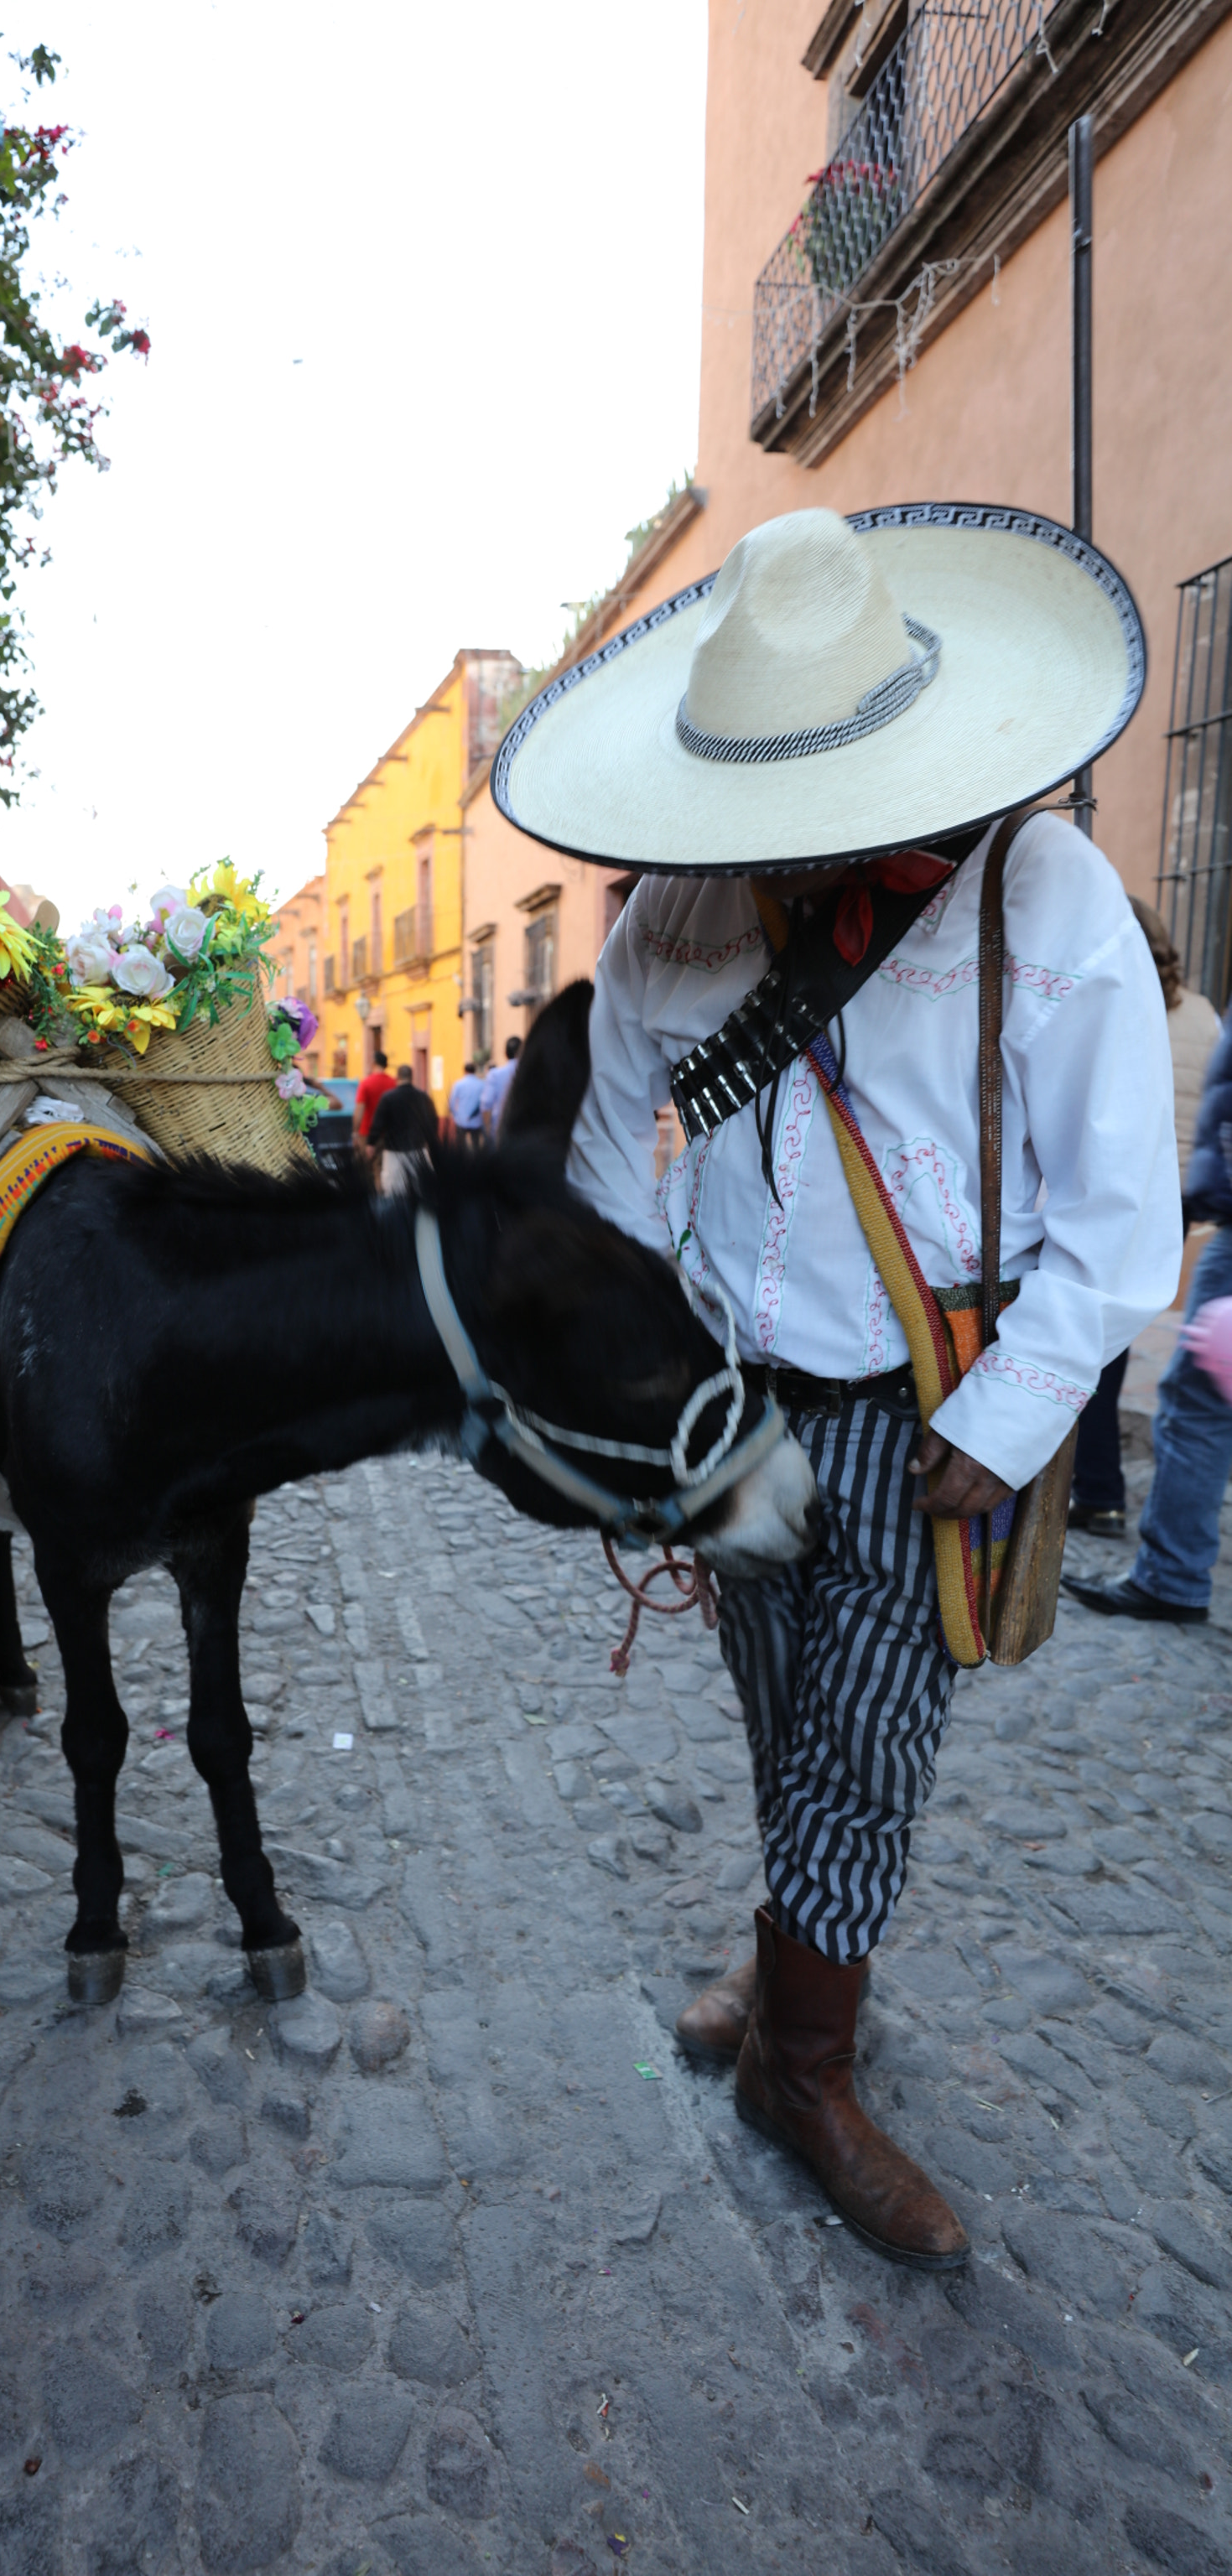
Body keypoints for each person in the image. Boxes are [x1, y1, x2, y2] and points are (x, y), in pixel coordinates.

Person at [496, 502, 1175, 2267]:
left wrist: (1009, 1415)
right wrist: (652, 1357)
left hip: (926, 1411)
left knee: (870, 1739)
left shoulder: (1047, 894)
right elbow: (595, 1162)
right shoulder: (675, 913)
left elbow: (1116, 1225)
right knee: (785, 1714)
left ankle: (802, 2066)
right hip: (734, 1407)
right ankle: (793, 1943)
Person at [1063, 995, 1232, 1622]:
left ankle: (1170, 1573)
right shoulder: (1201, 1008)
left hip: (1152, 1185)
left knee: (1194, 1406)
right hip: (1183, 1191)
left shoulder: (1116, 991)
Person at [1068, 900, 1220, 1535]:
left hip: (1126, 1192)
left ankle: (1098, 1489)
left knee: (1093, 1343)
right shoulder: (1206, 1012)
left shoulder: (1109, 1003)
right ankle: (1098, 1488)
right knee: (1115, 1341)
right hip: (1180, 1198)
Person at [366, 1069, 439, 1195]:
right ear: (412, 1078)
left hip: (394, 1152)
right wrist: (430, 1141)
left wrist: (371, 1143)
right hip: (418, 1150)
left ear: (397, 1078)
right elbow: (433, 1121)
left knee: (394, 1191)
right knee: (420, 1189)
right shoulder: (423, 1097)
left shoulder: (388, 1098)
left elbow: (378, 1123)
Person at [479, 1033, 522, 1140]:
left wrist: (488, 1132)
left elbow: (486, 1106)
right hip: (526, 1134)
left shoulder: (494, 1075)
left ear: (505, 1053)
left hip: (500, 1132)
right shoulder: (534, 1073)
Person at [353, 1049, 396, 1142]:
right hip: (389, 1133)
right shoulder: (394, 1083)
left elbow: (359, 1110)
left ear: (374, 1063)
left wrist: (355, 1133)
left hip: (367, 1133)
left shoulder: (366, 1083)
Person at [448, 1054, 486, 1145]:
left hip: (461, 1120)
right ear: (475, 1071)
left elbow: (452, 1102)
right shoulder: (482, 1084)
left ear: (465, 1071)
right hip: (477, 1120)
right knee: (476, 1145)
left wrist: (455, 1115)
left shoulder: (459, 1084)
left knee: (460, 1146)